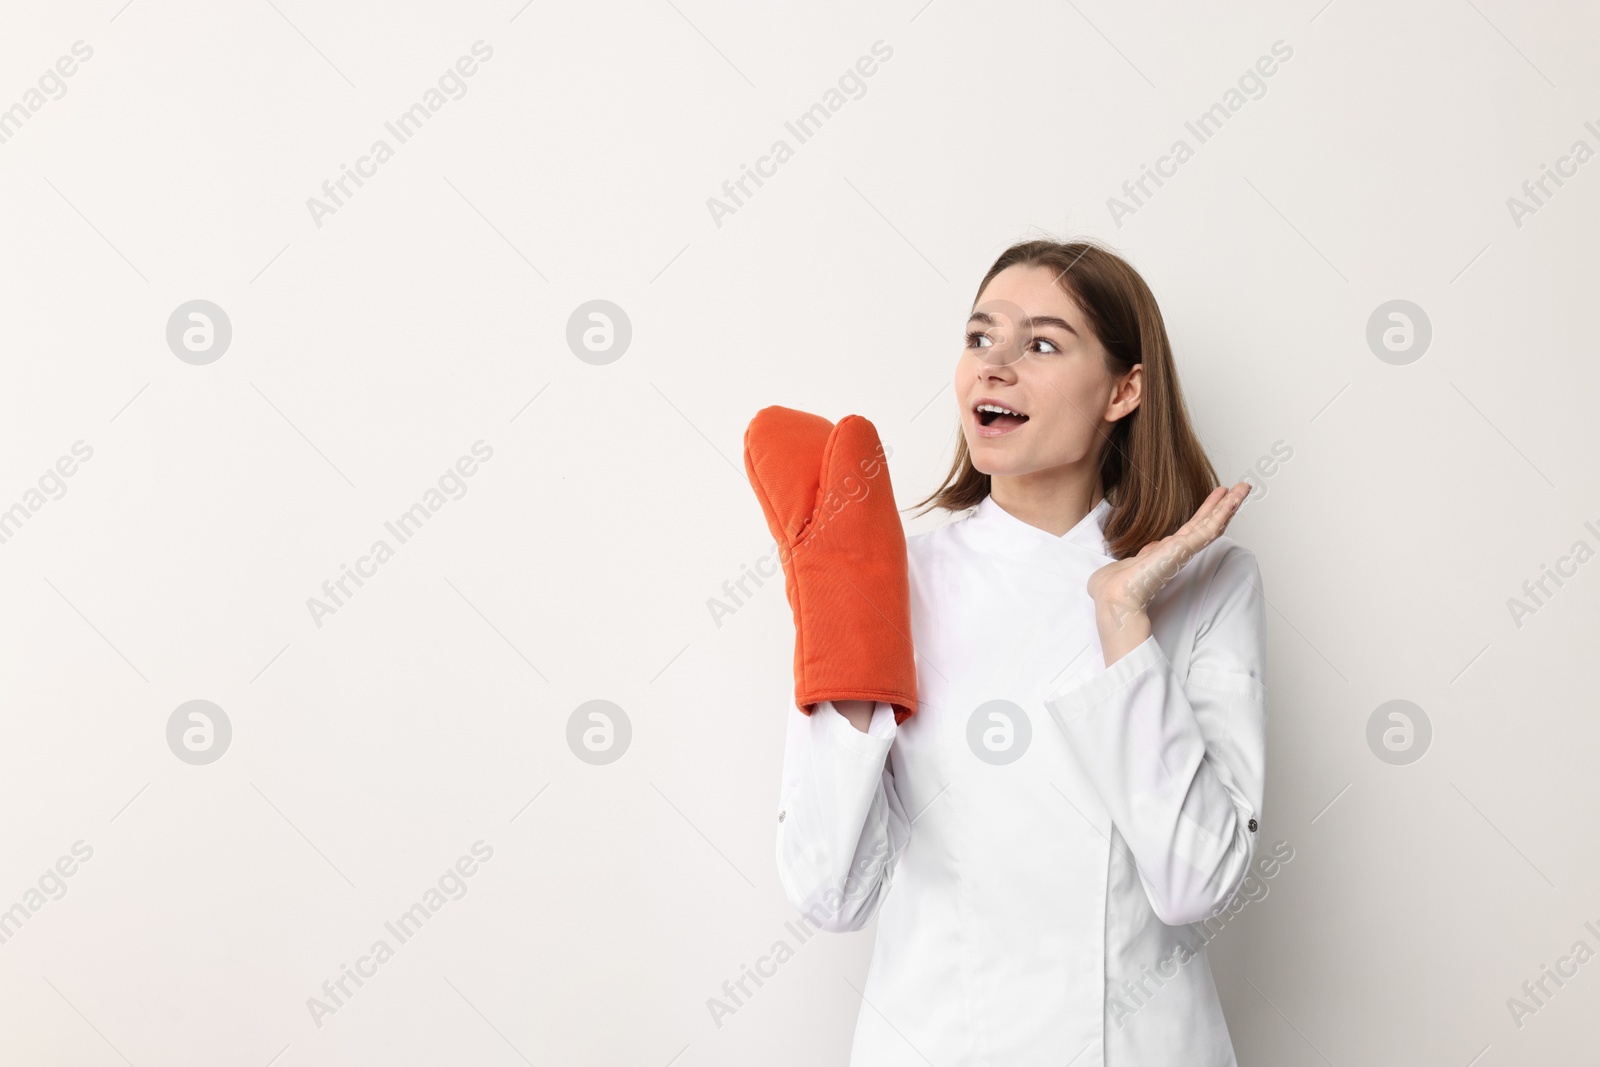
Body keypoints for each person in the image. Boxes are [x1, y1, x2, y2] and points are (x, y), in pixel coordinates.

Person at [758, 238, 1267, 1065]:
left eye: (1040, 343)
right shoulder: (890, 578)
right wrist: (843, 618)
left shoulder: (1211, 584)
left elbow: (1193, 883)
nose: (993, 367)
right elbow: (830, 892)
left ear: (1124, 389)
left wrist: (1124, 619)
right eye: (978, 337)